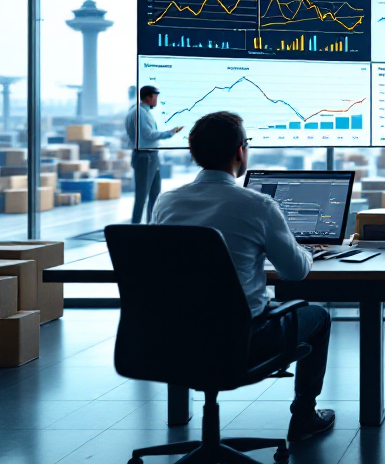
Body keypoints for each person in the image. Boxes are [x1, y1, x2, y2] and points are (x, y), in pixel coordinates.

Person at [152, 111, 335, 443]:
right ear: (240, 152)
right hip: (244, 343)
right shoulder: (258, 205)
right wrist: (308, 252)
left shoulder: (166, 203)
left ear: (194, 153)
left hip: (174, 340)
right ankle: (304, 416)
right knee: (319, 316)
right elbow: (295, 272)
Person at [125, 85, 182, 224]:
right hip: (146, 157)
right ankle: (136, 228)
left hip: (149, 157)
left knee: (154, 195)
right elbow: (148, 134)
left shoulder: (136, 111)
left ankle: (150, 226)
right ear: (148, 97)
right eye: (155, 97)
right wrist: (170, 133)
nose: (156, 100)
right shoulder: (140, 113)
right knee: (142, 196)